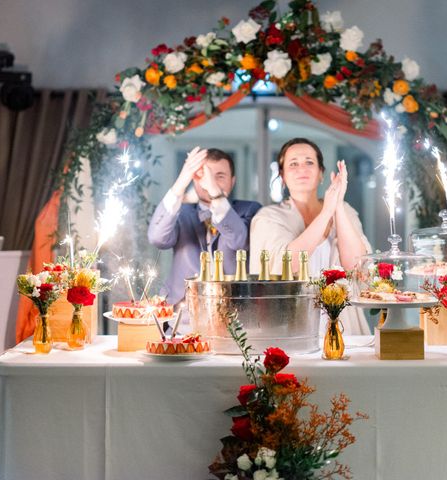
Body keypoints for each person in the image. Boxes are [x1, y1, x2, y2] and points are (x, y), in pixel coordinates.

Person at [249, 138, 372, 335]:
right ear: (282, 176)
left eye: (309, 162)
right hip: (291, 324)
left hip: (343, 322)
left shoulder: (344, 210)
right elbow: (285, 266)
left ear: (321, 173)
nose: (302, 169)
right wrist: (326, 213)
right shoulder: (268, 217)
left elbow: (357, 266)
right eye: (293, 164)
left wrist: (338, 206)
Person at [148, 147, 261, 307]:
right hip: (182, 312)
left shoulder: (250, 210)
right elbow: (157, 238)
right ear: (194, 179)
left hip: (233, 313)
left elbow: (239, 241)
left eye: (219, 176)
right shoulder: (180, 213)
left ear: (232, 181)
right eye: (203, 176)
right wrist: (180, 184)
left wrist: (215, 191)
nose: (210, 182)